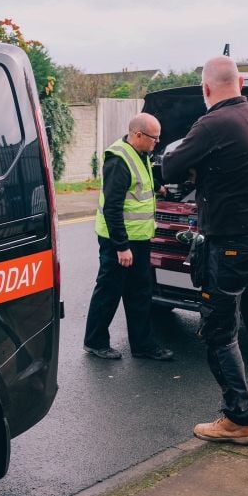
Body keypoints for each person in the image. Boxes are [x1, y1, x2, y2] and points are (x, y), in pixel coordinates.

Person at [160, 56, 248, 444]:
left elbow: (169, 169)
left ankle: (238, 418)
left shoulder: (212, 124)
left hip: (230, 245)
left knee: (219, 332)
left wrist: (195, 168)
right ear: (242, 81)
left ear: (205, 89)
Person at [83, 113, 174, 362]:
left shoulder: (140, 154)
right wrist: (121, 247)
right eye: (154, 138)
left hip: (139, 239)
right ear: (138, 135)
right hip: (119, 241)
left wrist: (159, 187)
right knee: (109, 291)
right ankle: (95, 342)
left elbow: (141, 180)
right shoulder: (118, 160)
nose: (157, 142)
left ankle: (142, 345)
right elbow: (113, 207)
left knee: (139, 293)